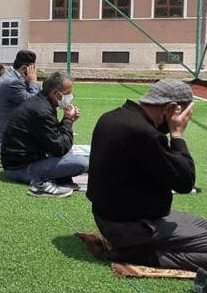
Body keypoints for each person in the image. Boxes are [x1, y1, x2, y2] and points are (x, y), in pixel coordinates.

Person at [86, 79, 206, 271]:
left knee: (203, 225)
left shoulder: (110, 117)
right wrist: (177, 135)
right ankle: (144, 255)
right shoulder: (144, 133)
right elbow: (184, 182)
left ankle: (141, 248)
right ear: (171, 109)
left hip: (111, 217)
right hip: (133, 227)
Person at [1, 72, 89, 198]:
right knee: (82, 163)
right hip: (22, 168)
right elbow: (59, 148)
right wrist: (68, 121)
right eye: (68, 93)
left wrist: (67, 121)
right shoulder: (42, 110)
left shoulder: (40, 103)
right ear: (56, 94)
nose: (70, 97)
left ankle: (60, 176)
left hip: (21, 161)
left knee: (69, 150)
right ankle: (46, 181)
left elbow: (52, 137)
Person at [0, 49, 39, 143]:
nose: (34, 72)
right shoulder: (13, 82)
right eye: (33, 68)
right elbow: (33, 102)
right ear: (24, 68)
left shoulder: (10, 75)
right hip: (11, 133)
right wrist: (33, 82)